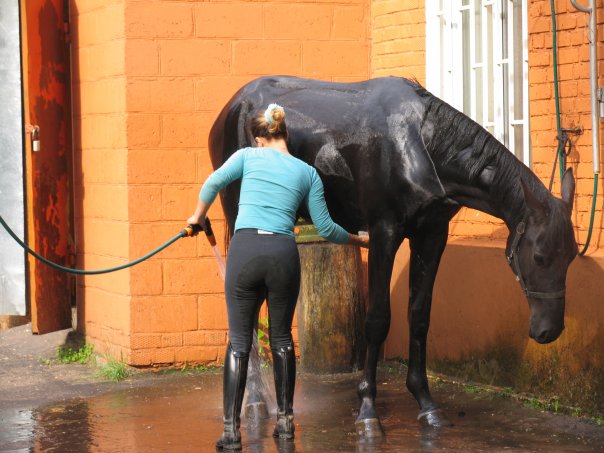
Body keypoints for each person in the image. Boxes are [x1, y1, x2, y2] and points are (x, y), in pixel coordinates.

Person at [187, 103, 369, 451]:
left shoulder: (246, 157)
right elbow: (327, 228)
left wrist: (197, 217)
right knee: (283, 339)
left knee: (239, 343)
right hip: (283, 255)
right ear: (285, 135)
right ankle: (285, 423)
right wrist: (359, 239)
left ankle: (230, 431)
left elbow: (213, 182)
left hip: (245, 251)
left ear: (259, 139)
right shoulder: (307, 173)